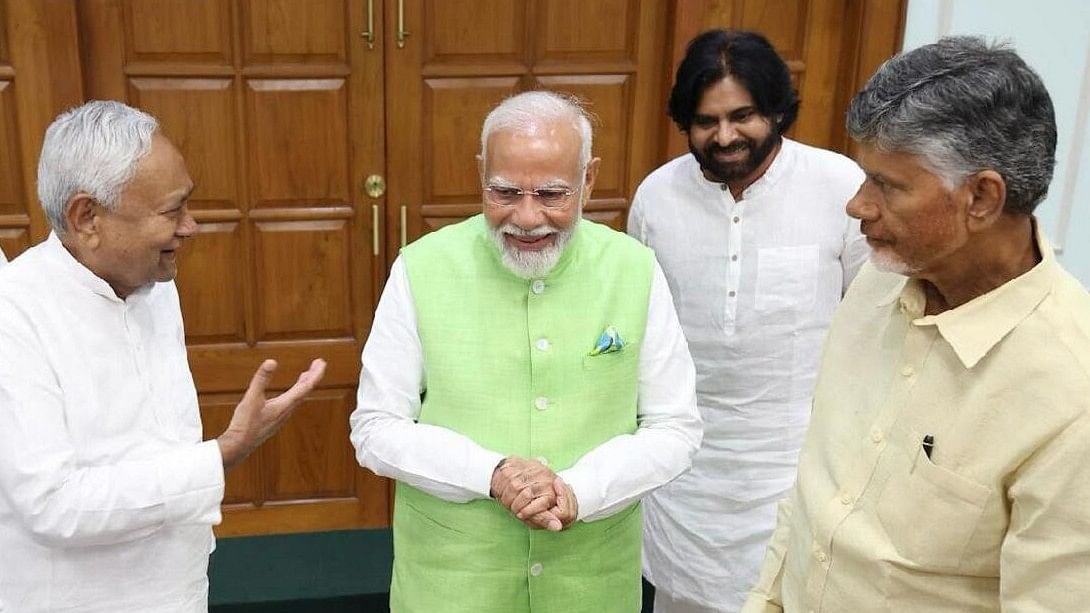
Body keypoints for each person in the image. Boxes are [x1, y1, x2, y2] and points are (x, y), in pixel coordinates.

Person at [742, 36, 1090, 613]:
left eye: (887, 184)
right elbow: (815, 502)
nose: (857, 205)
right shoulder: (876, 284)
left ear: (980, 197)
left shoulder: (1070, 392)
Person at [350, 90, 702, 613]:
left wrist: (580, 490)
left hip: (591, 584)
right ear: (480, 174)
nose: (527, 216)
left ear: (589, 179)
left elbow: (675, 426)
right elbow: (376, 427)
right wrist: (492, 474)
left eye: (553, 194)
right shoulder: (421, 269)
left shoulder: (635, 270)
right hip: (452, 583)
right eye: (505, 191)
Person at [0, 100, 326, 612]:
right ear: (87, 217)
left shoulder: (153, 282)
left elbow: (162, 443)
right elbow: (53, 504)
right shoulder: (14, 313)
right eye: (171, 211)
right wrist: (220, 455)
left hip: (180, 590)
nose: (191, 227)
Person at [628, 30, 867, 612]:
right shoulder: (656, 198)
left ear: (777, 110)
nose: (726, 136)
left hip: (798, 462)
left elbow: (872, 322)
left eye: (744, 116)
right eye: (706, 121)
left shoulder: (840, 188)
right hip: (687, 468)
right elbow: (642, 328)